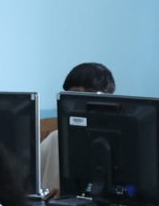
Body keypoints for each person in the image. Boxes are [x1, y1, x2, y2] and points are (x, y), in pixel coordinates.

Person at [36, 62, 116, 198]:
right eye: (75, 93)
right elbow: (28, 180)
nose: (81, 100)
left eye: (90, 93)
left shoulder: (114, 141)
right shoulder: (56, 138)